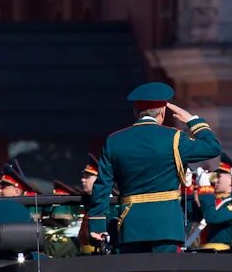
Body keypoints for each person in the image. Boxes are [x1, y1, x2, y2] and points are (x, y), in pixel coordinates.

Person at [88, 82, 221, 253]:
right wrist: (192, 120)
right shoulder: (174, 138)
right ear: (163, 112)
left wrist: (97, 223)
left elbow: (102, 186)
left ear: (136, 111)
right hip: (167, 224)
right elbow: (213, 147)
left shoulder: (114, 141)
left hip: (131, 224)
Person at [195, 153, 232, 250]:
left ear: (230, 180)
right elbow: (194, 217)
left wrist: (206, 190)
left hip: (220, 251)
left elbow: (212, 217)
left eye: (219, 176)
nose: (215, 180)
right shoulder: (219, 200)